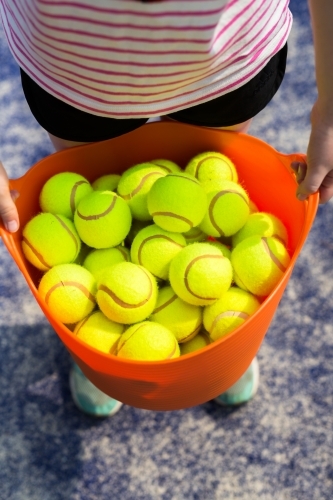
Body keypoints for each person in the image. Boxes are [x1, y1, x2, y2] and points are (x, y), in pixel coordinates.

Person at [0, 0, 328, 417]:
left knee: (211, 169)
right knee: (93, 176)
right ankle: (99, 344)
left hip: (228, 53)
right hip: (74, 67)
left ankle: (228, 340)